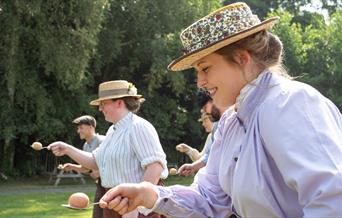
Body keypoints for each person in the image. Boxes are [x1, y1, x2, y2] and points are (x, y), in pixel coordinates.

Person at [98, 2, 342, 217]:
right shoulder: (230, 123)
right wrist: (149, 194)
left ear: (242, 58)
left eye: (205, 68)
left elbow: (332, 199)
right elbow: (210, 199)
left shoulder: (290, 102)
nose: (200, 83)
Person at [49, 80, 168, 218]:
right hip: (114, 202)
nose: (100, 108)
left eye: (103, 103)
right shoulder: (113, 130)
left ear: (119, 103)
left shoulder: (139, 126)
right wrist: (67, 149)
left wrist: (137, 204)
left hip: (138, 204)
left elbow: (155, 167)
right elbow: (95, 161)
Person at [60, 115, 105, 218]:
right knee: (98, 214)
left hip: (111, 185)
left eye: (81, 128)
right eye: (78, 128)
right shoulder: (86, 145)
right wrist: (73, 167)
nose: (78, 131)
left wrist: (99, 172)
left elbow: (113, 163)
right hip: (100, 185)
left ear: (91, 127)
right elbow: (87, 167)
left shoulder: (102, 141)